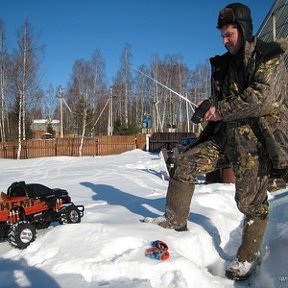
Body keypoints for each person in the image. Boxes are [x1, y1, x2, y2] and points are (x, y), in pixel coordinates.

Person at [144, 2, 288, 281]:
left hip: (255, 143)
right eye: (222, 35)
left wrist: (220, 109)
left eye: (229, 34)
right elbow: (225, 100)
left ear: (243, 30)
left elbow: (262, 98)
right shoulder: (223, 64)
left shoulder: (268, 56)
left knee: (250, 203)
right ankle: (174, 222)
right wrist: (210, 105)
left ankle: (247, 257)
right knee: (185, 163)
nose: (224, 41)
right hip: (224, 138)